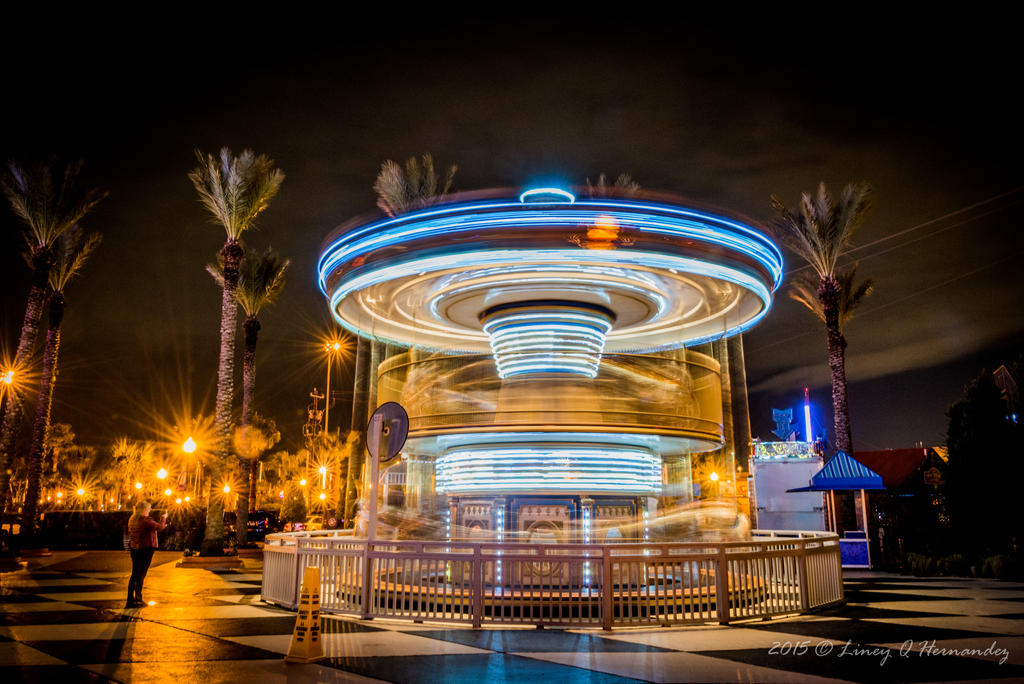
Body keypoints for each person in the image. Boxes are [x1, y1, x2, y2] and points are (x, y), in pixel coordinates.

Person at [126, 500, 166, 608]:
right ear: (144, 509)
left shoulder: (132, 519)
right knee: (141, 574)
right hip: (146, 549)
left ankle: (130, 599)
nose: (150, 511)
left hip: (135, 549)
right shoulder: (145, 520)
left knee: (135, 574)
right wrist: (164, 517)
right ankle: (138, 599)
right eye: (148, 509)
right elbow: (160, 527)